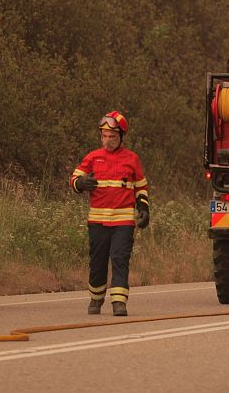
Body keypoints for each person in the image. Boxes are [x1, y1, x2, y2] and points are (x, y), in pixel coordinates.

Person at [70, 111, 149, 317]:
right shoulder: (93, 157)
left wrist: (143, 209)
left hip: (123, 221)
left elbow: (141, 187)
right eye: (104, 136)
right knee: (97, 261)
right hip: (97, 221)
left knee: (119, 258)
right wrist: (80, 183)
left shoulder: (132, 159)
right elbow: (74, 178)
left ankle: (119, 303)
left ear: (121, 136)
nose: (107, 141)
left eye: (112, 136)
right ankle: (96, 298)